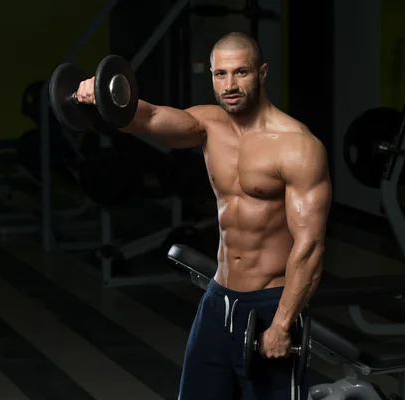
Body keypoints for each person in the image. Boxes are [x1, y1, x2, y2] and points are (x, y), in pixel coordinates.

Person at [76, 31, 332, 400]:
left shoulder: (298, 147)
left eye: (240, 73)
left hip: (269, 304)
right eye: (220, 74)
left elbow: (310, 247)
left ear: (261, 73)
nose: (229, 85)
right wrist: (102, 96)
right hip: (218, 298)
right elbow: (146, 118)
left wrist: (281, 324)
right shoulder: (208, 125)